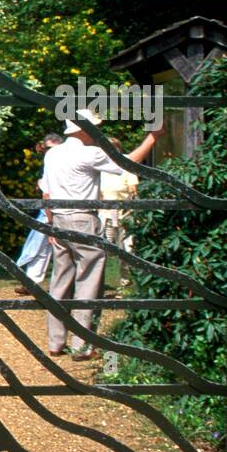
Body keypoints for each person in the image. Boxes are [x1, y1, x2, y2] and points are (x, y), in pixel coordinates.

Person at [42, 108, 160, 360]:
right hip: (83, 218)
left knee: (60, 280)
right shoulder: (89, 153)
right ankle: (83, 345)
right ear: (84, 129)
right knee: (89, 280)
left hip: (59, 218)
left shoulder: (53, 154)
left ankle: (55, 341)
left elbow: (48, 192)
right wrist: (152, 138)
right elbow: (127, 164)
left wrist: (50, 225)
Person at [13, 133, 64, 294]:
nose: (48, 152)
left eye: (51, 148)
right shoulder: (49, 162)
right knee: (39, 246)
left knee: (64, 248)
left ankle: (63, 286)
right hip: (48, 209)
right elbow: (46, 192)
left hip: (65, 209)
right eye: (46, 149)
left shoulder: (64, 160)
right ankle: (31, 283)